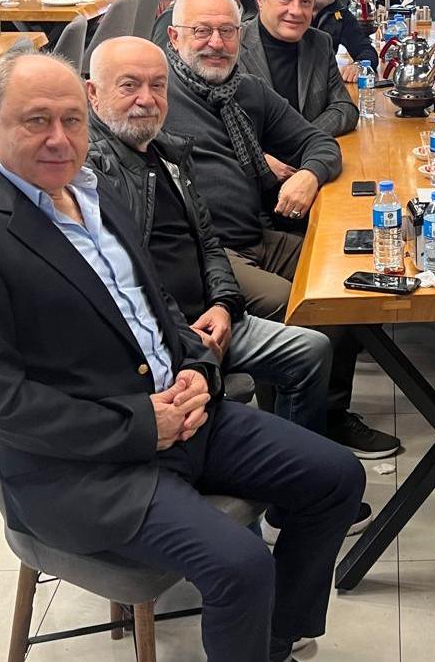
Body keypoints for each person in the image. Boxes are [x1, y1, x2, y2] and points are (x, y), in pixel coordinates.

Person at [0, 45, 382, 662]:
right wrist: (141, 424)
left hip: (177, 414)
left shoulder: (92, 191)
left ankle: (270, 659)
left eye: (71, 120)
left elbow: (156, 308)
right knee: (237, 563)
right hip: (78, 469)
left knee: (334, 477)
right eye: (36, 121)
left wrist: (195, 366)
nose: (60, 138)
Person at [163, 0, 400, 459]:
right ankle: (292, 449)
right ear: (174, 37)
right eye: (202, 31)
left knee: (353, 273)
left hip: (257, 233)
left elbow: (319, 142)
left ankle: (328, 418)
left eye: (227, 31)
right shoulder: (160, 94)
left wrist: (309, 175)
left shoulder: (244, 90)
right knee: (307, 309)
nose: (216, 43)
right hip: (209, 253)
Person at [84, 35, 332, 434]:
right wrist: (185, 335)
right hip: (166, 335)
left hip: (212, 312)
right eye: (129, 86)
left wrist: (223, 304)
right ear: (93, 94)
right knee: (297, 310)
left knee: (313, 345)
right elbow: (125, 282)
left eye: (157, 86)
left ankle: (301, 445)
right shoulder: (89, 172)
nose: (146, 99)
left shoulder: (168, 153)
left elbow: (208, 242)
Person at [238, 0, 357, 139]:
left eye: (305, 2)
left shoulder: (320, 42)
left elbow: (345, 108)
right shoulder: (232, 45)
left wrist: (301, 139)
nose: (296, 11)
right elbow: (215, 124)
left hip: (310, 153)